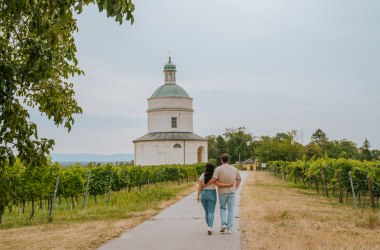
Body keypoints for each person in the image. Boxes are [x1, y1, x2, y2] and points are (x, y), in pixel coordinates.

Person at [203, 154, 241, 234]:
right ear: (228, 160)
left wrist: (205, 185)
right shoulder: (234, 168)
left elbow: (214, 180)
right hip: (232, 192)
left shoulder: (218, 169)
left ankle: (224, 223)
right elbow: (239, 180)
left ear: (221, 160)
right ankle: (229, 229)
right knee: (231, 210)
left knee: (223, 208)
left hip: (222, 192)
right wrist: (235, 188)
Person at [197, 162, 235, 235]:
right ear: (213, 168)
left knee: (207, 212)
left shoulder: (202, 175)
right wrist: (229, 185)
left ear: (206, 168)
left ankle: (209, 227)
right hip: (212, 194)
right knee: (211, 212)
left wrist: (198, 196)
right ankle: (210, 227)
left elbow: (200, 187)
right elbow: (219, 184)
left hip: (203, 194)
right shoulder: (214, 176)